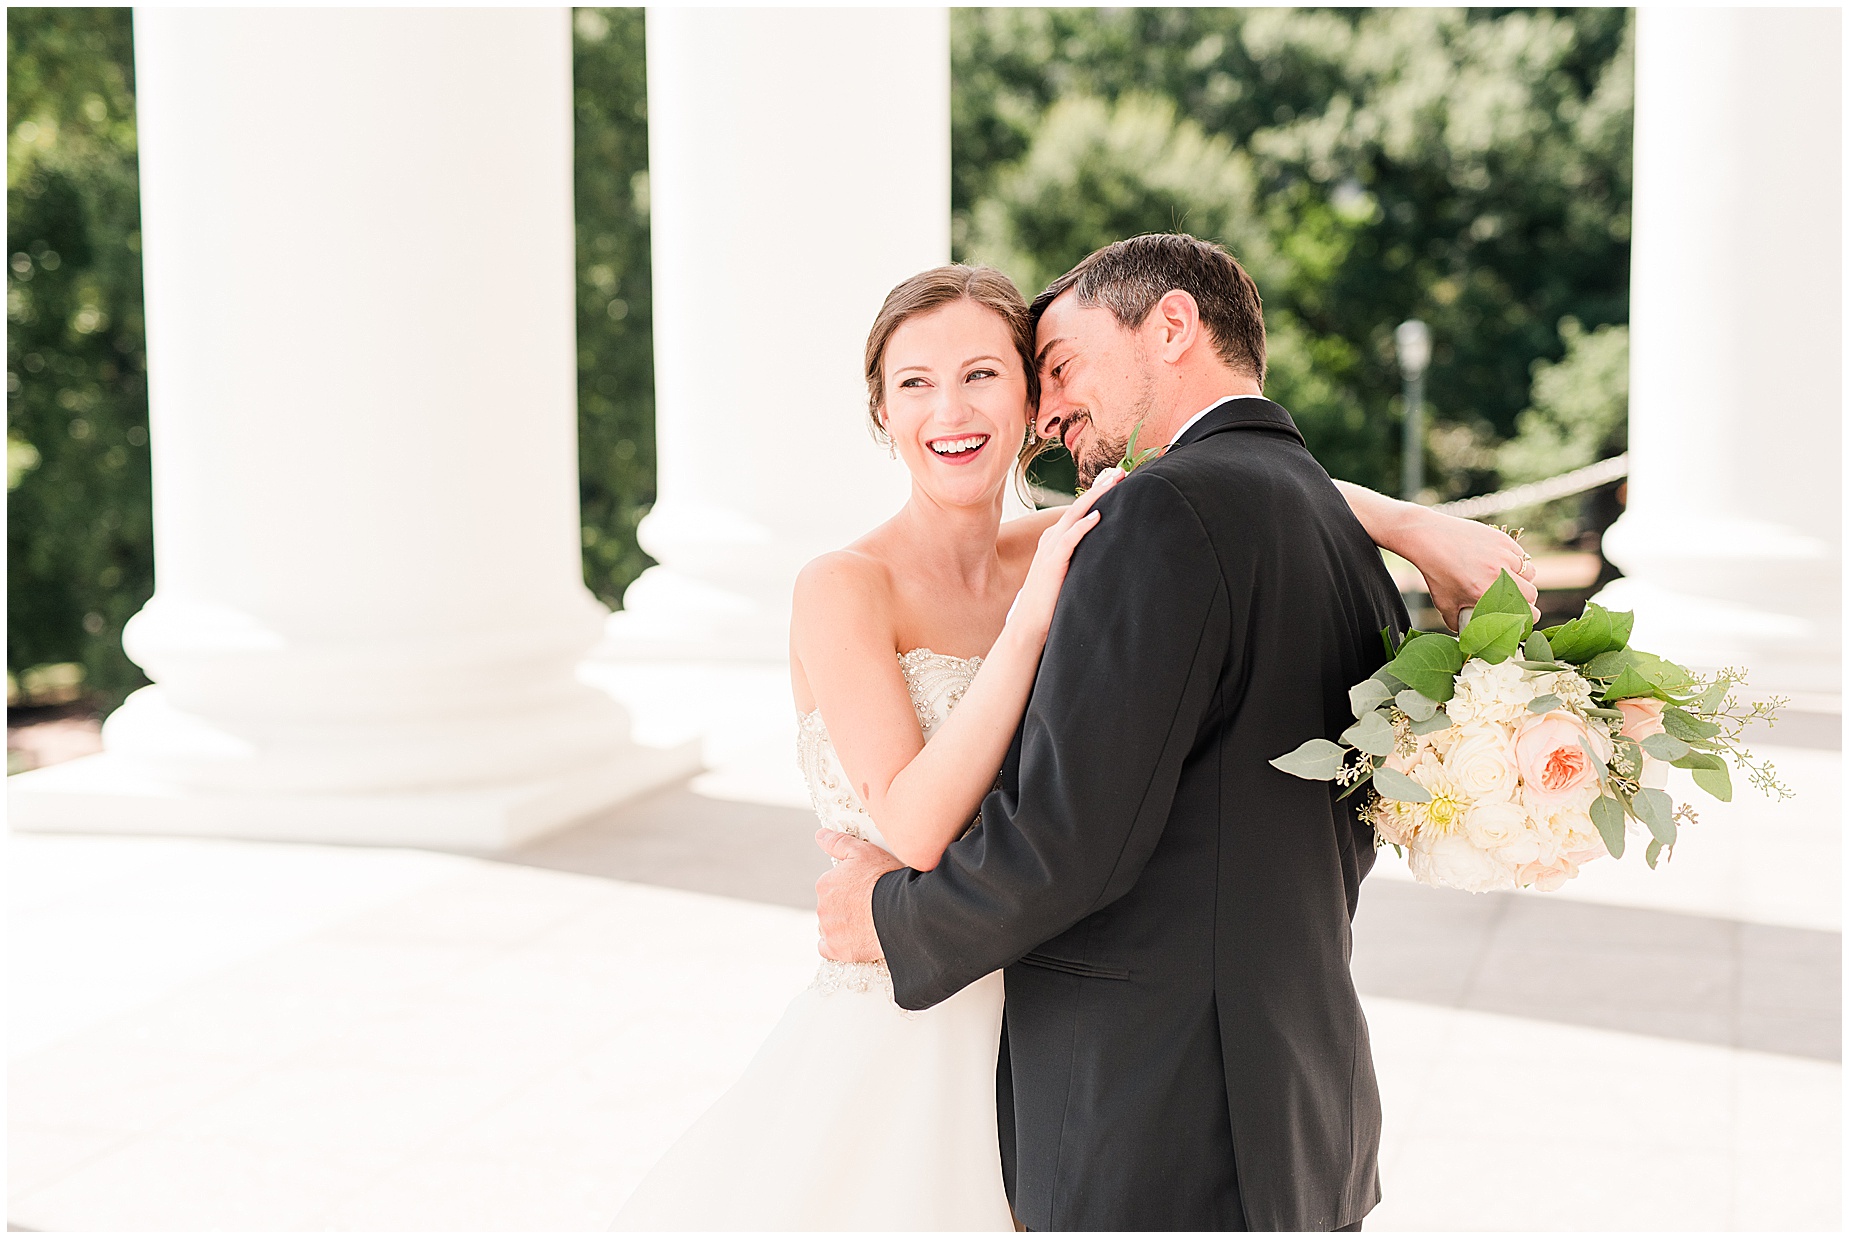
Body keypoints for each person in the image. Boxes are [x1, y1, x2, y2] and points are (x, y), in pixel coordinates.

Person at [618, 250, 1534, 1230]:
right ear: (881, 413)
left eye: (987, 375)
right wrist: (1025, 628)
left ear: (1025, 403)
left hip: (1063, 1032)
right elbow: (917, 826)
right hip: (920, 1020)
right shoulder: (852, 584)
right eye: (913, 385)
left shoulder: (1096, 535)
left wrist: (1410, 524)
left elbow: (1234, 480)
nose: (950, 410)